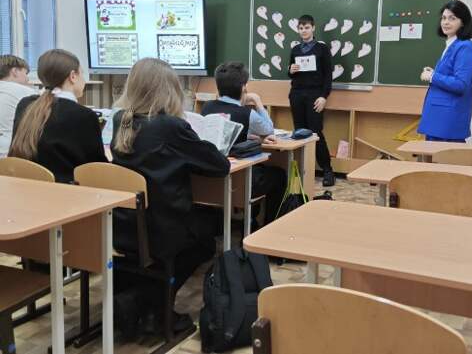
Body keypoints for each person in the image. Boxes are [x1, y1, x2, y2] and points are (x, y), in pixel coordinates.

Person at [111, 57, 230, 335]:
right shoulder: (169, 126)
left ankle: (138, 299)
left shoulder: (121, 120)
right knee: (205, 239)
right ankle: (155, 303)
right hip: (161, 228)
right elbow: (220, 166)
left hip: (123, 224)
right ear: (170, 90)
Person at [201, 62, 287, 226]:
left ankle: (248, 218)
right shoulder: (247, 113)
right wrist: (257, 101)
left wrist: (254, 139)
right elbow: (269, 129)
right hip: (240, 180)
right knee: (278, 175)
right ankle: (268, 225)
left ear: (218, 86)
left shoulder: (207, 107)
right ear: (243, 88)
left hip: (210, 178)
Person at [10, 49, 107, 182]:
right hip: (67, 190)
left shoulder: (25, 104)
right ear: (73, 76)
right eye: (82, 74)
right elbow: (96, 167)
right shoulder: (83, 115)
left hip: (26, 187)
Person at [418, 0, 472, 143]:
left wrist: (433, 76)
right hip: (439, 120)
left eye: (452, 18)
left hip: (447, 122)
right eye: (444, 18)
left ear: (463, 22)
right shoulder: (452, 44)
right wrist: (435, 73)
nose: (446, 22)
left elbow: (460, 84)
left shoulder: (465, 47)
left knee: (444, 157)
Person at [288, 14, 335, 186]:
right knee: (299, 132)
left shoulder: (322, 48)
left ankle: (327, 170)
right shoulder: (295, 49)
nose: (304, 31)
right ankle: (301, 171)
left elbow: (328, 75)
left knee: (315, 132)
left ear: (313, 28)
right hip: (297, 94)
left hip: (315, 95)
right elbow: (291, 72)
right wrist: (290, 70)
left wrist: (324, 96)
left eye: (307, 27)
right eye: (301, 28)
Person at [0, 55, 36, 158]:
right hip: (10, 154)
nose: (27, 79)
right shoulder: (26, 92)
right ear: (15, 71)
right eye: (25, 73)